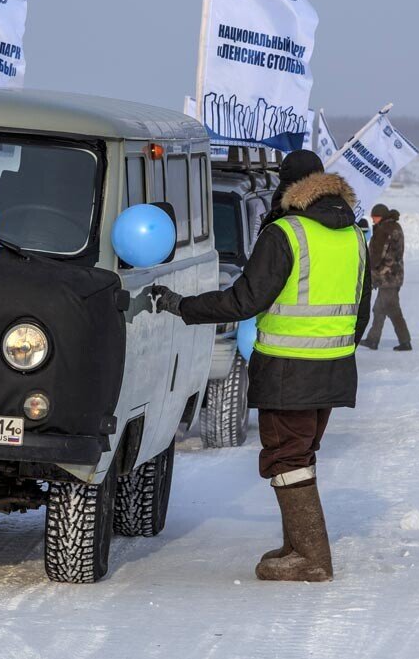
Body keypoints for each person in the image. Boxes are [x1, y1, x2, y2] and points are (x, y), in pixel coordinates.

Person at [150, 150, 370, 582]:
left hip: (290, 371)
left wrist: (181, 306)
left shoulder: (286, 234)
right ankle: (296, 546)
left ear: (288, 189)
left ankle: (312, 558)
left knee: (287, 458)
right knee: (301, 455)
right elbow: (361, 313)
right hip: (334, 370)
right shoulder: (355, 237)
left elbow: (244, 300)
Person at [360, 204, 412, 351]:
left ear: (381, 215)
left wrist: (370, 270)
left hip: (386, 277)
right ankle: (373, 339)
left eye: (374, 216)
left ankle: (405, 341)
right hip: (395, 276)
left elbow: (376, 255)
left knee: (393, 309)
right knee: (379, 309)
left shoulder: (383, 229)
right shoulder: (396, 227)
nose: (372, 218)